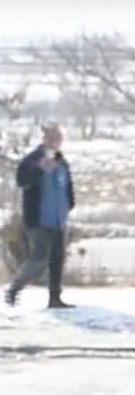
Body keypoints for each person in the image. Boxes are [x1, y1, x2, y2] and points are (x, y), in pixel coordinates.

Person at [7, 124, 75, 310]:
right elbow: (22, 182)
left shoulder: (62, 161)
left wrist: (69, 205)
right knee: (39, 258)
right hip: (39, 219)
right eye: (54, 137)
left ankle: (55, 298)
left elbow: (68, 187)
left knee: (57, 259)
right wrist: (39, 170)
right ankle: (14, 289)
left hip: (59, 219)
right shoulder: (32, 159)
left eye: (60, 138)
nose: (57, 141)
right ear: (45, 139)